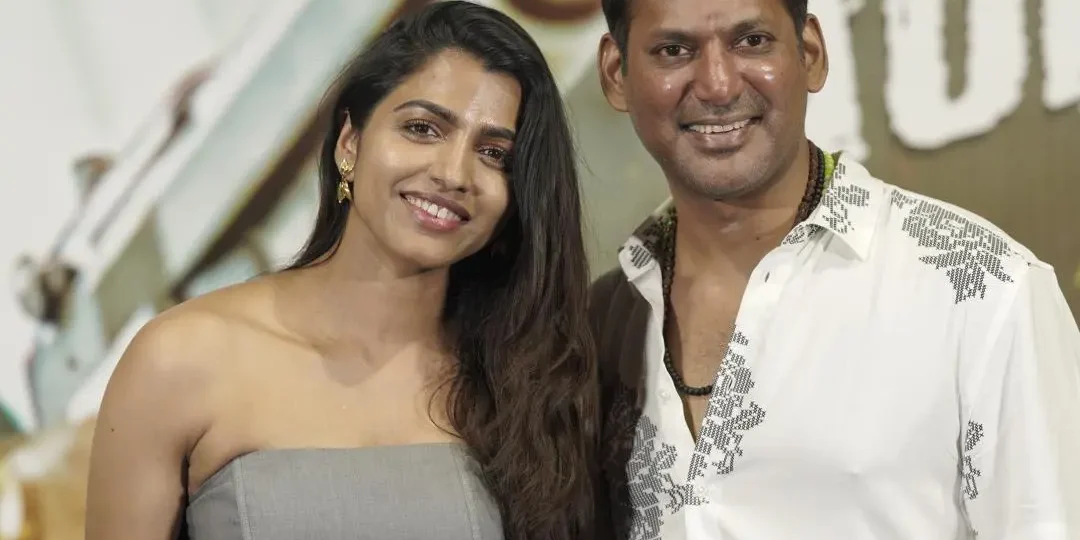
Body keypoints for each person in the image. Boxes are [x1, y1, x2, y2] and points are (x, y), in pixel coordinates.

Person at [85, 2, 598, 539]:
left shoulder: (524, 383)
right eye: (422, 128)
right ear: (351, 142)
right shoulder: (181, 358)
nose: (454, 173)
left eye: (494, 154)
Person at [588, 0, 1080, 538]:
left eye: (751, 41)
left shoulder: (983, 289)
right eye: (674, 50)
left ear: (811, 54)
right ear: (616, 73)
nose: (718, 85)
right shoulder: (592, 325)